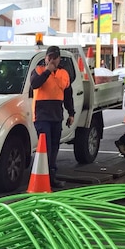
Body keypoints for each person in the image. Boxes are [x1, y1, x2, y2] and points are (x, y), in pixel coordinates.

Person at [30, 45, 71, 188]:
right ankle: (42, 176)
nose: (53, 60)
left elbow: (68, 95)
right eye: (50, 57)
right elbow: (35, 84)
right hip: (42, 117)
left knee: (54, 148)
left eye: (55, 58)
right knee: (45, 148)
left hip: (56, 117)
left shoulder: (64, 74)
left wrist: (71, 113)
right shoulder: (38, 71)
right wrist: (48, 71)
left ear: (59, 59)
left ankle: (51, 177)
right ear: (45, 58)